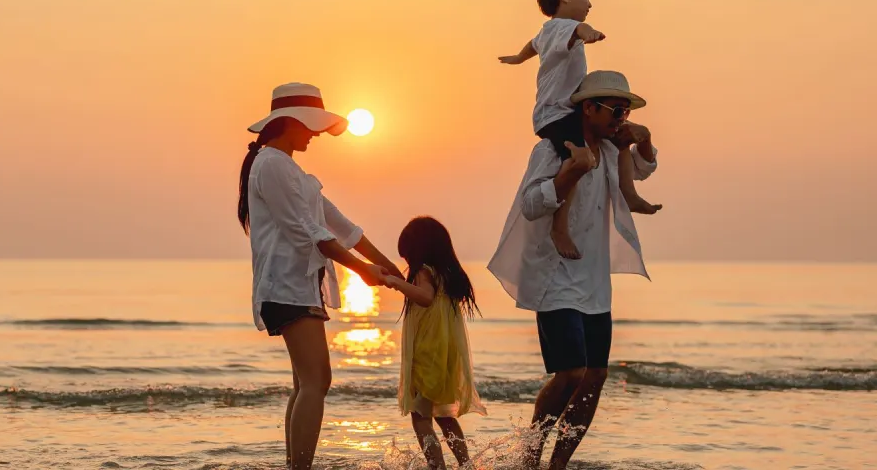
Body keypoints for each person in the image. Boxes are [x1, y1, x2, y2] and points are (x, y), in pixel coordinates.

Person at [486, 70, 659, 470]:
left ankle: (558, 464)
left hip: (595, 283)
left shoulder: (613, 151)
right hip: (555, 276)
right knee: (571, 372)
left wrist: (645, 139)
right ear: (589, 107)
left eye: (626, 111)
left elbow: (644, 168)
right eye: (616, 110)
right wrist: (569, 173)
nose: (622, 118)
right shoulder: (552, 149)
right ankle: (530, 456)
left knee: (595, 376)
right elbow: (531, 204)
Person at [238, 82, 402, 470]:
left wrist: (388, 265)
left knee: (306, 384)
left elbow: (341, 226)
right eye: (311, 126)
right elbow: (308, 233)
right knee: (317, 382)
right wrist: (363, 271)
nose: (315, 134)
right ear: (290, 122)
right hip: (286, 286)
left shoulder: (291, 170)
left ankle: (296, 465)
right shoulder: (272, 164)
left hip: (299, 286)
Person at [498, 0, 660, 261]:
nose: (589, 2)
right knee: (576, 162)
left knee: (622, 139)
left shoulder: (546, 34)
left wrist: (518, 58)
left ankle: (630, 194)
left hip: (562, 112)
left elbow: (531, 46)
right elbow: (579, 30)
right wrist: (591, 33)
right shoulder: (562, 28)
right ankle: (560, 227)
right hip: (557, 114)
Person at [383, 216, 486, 470]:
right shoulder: (446, 274)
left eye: (407, 256)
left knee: (420, 416)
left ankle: (436, 466)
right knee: (444, 416)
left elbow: (426, 298)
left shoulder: (423, 272)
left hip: (427, 353)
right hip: (444, 354)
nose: (407, 262)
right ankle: (466, 465)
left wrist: (397, 283)